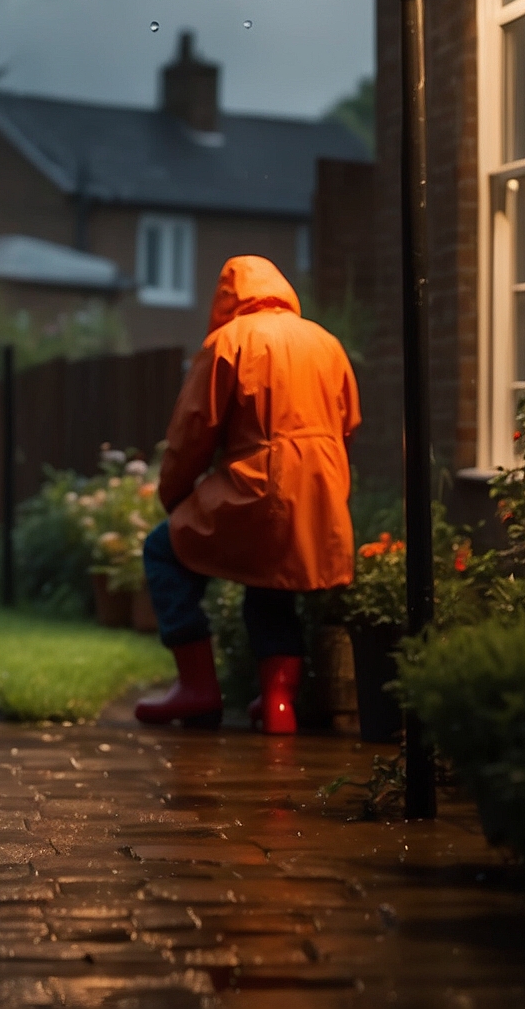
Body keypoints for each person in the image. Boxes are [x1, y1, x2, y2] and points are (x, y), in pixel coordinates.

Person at [135, 255, 359, 735]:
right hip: (320, 491)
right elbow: (348, 425)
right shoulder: (326, 342)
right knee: (272, 582)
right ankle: (279, 703)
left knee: (163, 550)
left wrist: (175, 497)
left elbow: (192, 433)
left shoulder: (229, 342)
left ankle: (196, 687)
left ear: (226, 296)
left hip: (256, 485)